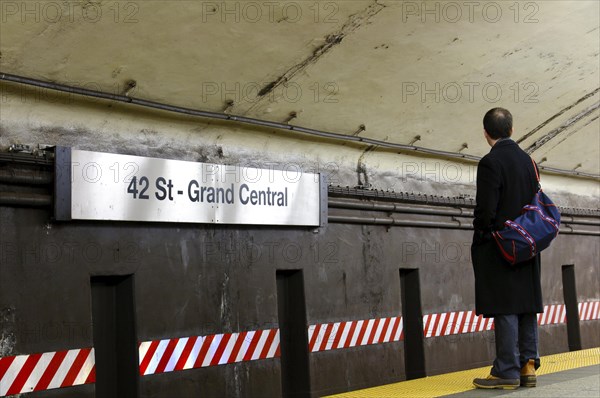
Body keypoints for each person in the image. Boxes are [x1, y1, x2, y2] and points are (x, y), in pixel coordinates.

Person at [471, 108, 543, 389]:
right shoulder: (530, 162)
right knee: (527, 303)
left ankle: (506, 370)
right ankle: (528, 365)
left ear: (486, 133)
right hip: (530, 242)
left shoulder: (490, 162)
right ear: (512, 130)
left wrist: (482, 232)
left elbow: (485, 209)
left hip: (503, 245)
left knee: (505, 305)